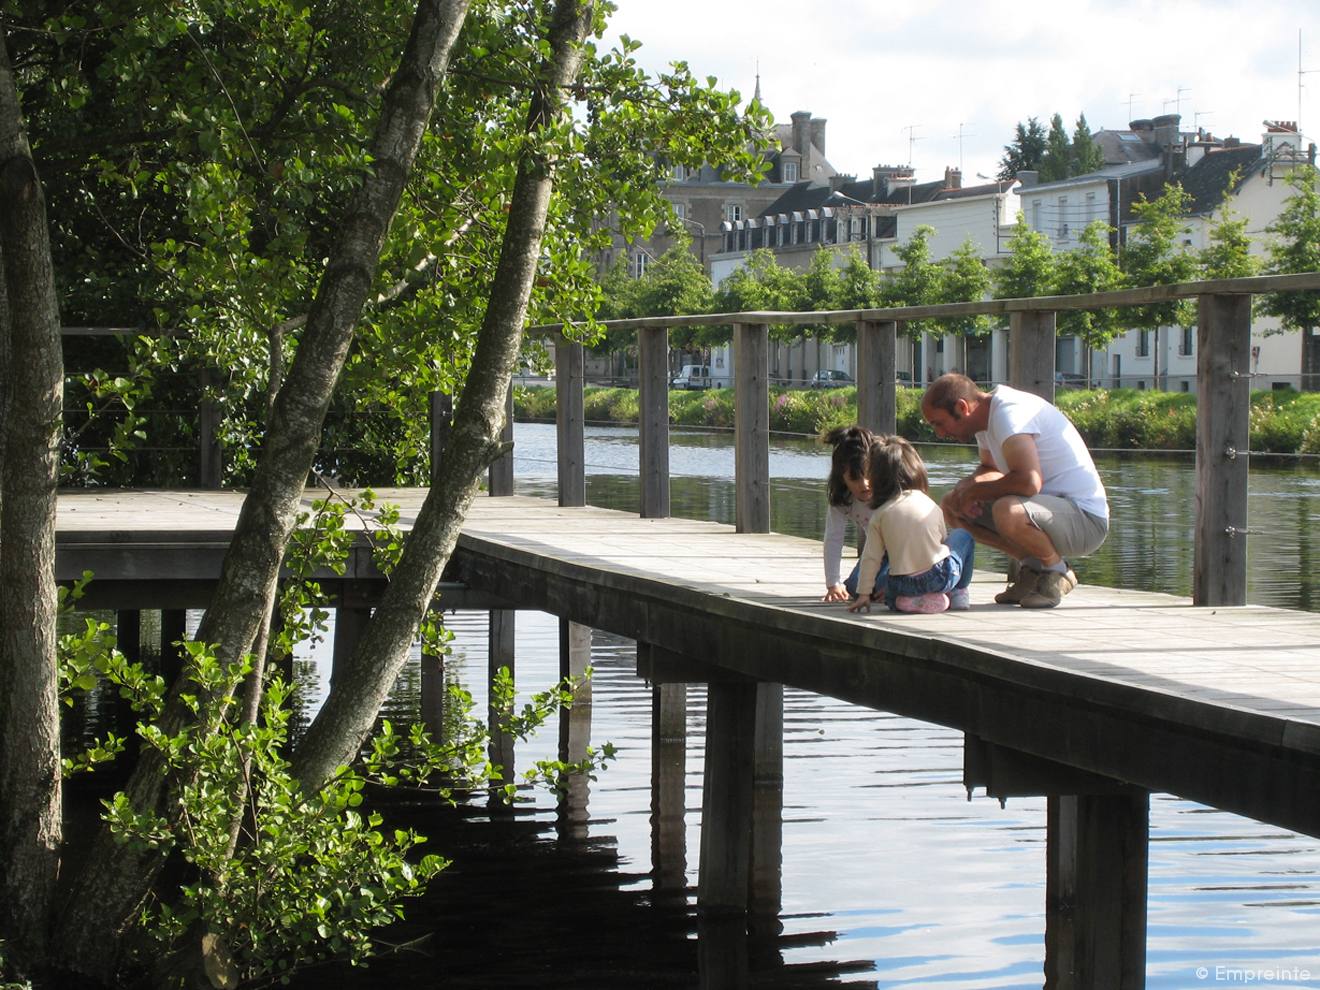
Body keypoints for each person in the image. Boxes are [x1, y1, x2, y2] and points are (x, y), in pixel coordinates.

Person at [920, 373, 1109, 609]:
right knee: (952, 505)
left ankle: (1057, 571)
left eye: (939, 423)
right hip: (1049, 513)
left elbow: (1029, 482)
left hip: (1086, 521)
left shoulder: (1008, 413)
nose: (939, 433)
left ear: (962, 407)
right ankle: (1033, 569)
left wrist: (975, 492)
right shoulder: (984, 421)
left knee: (1008, 510)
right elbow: (990, 469)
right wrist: (966, 490)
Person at [846, 434, 975, 614]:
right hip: (937, 577)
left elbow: (871, 557)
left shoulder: (880, 514)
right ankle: (958, 592)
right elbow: (942, 544)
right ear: (918, 472)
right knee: (964, 535)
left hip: (900, 583)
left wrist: (864, 595)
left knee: (892, 589)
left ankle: (901, 601)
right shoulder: (930, 505)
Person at [821, 425, 888, 602]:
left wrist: (896, 579)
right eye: (855, 478)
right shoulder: (842, 499)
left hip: (907, 551)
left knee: (885, 586)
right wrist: (833, 583)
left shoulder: (889, 492)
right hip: (877, 553)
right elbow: (833, 539)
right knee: (854, 588)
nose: (864, 484)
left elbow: (910, 538)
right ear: (841, 478)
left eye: (868, 475)